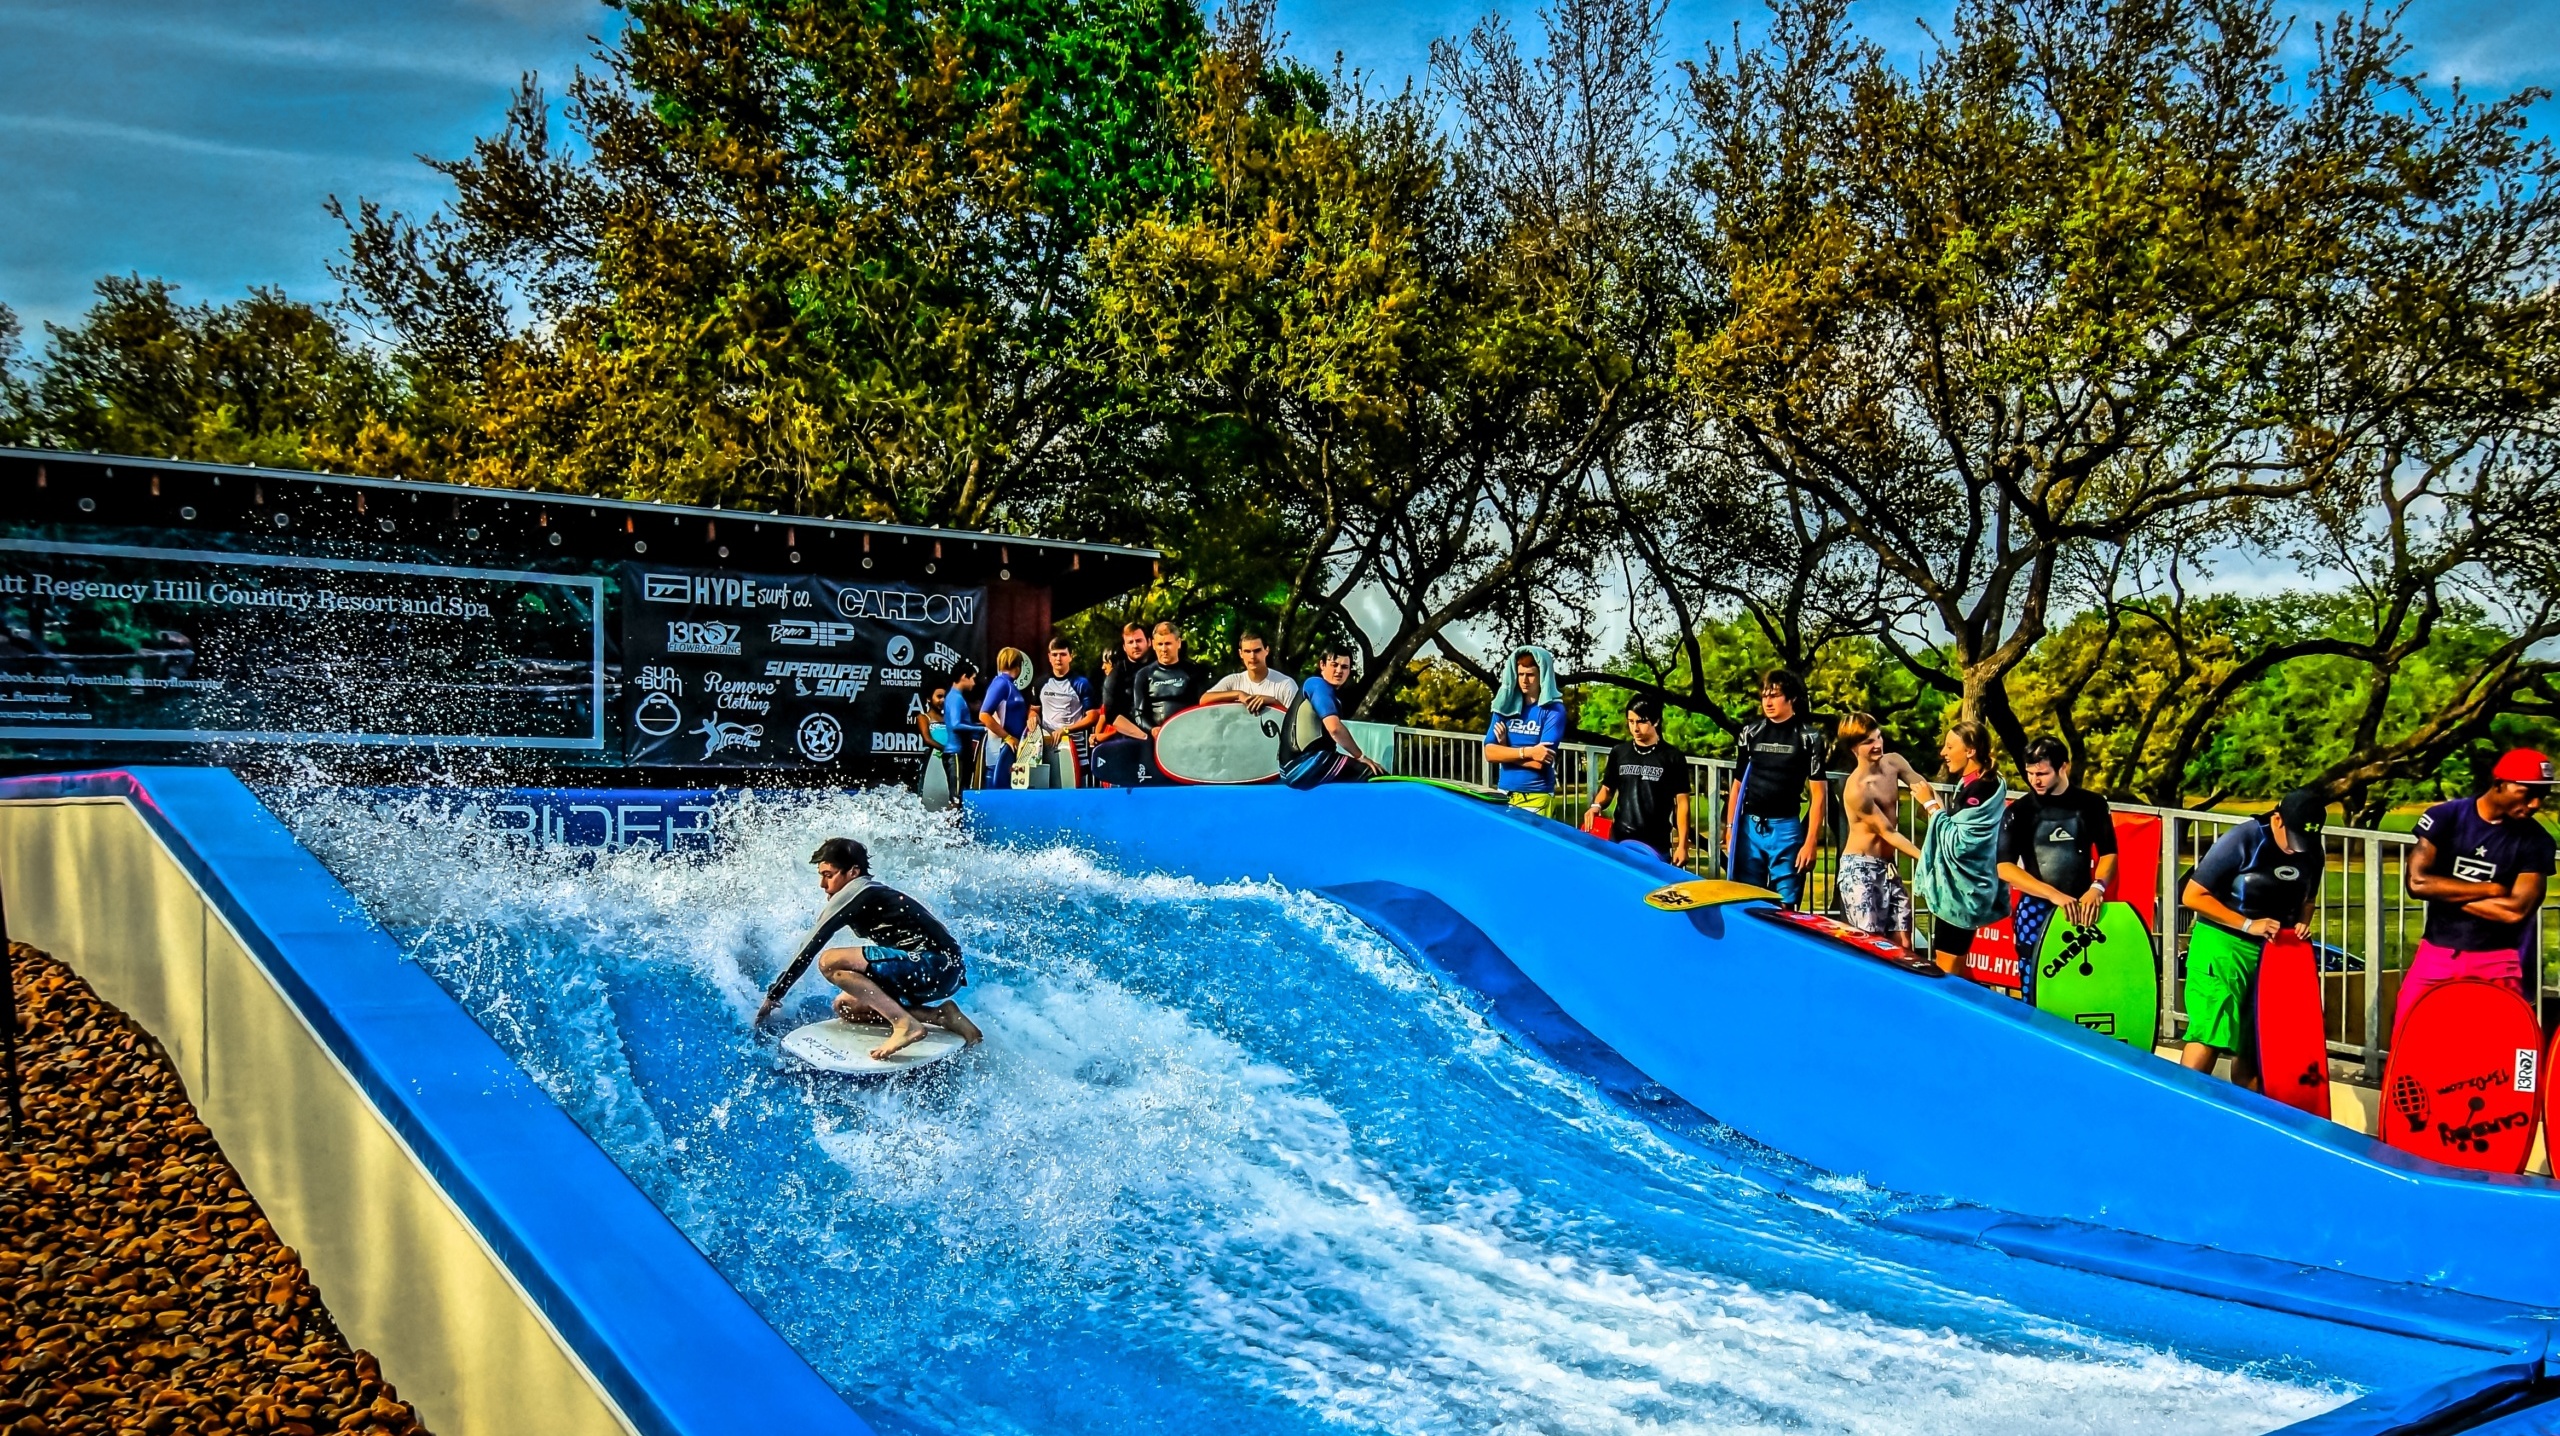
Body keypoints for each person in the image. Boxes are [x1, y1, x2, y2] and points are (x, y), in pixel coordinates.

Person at [753, 838, 984, 1060]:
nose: (823, 885)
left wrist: (775, 994)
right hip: (944, 973)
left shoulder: (857, 891)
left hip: (934, 966)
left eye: (828, 876)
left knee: (830, 961)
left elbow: (811, 945)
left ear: (853, 872)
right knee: (847, 1006)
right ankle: (941, 1015)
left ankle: (905, 1025)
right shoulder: (874, 893)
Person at [2177, 787, 2329, 1086]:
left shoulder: (2312, 850)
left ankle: (2249, 1114)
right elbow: (2193, 895)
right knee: (2211, 1029)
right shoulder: (2243, 839)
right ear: (2277, 819)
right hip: (2222, 944)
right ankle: (2183, 1101)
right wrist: (2247, 924)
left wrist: (2300, 925)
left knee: (2256, 1041)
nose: (2295, 850)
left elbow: (2308, 900)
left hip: (2272, 952)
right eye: (2293, 838)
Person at [2399, 749, 2556, 1028]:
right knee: (2409, 1032)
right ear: (2499, 784)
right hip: (2437, 954)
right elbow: (2417, 882)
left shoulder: (2537, 841)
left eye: (2542, 794)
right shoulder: (2446, 817)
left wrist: (2443, 891)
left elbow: (2515, 911)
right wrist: (2491, 889)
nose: (2535, 803)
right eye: (2527, 792)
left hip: (2500, 960)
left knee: (2497, 1050)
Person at [1998, 737, 2119, 1000]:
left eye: (2042, 773)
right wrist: (2052, 894)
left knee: (2082, 984)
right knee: (2036, 985)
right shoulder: (2020, 810)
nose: (2035, 781)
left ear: (2063, 767)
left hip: (2082, 905)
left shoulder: (2092, 804)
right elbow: (2005, 867)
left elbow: (2109, 853)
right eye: (2030, 774)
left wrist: (2097, 888)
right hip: (2037, 907)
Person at [1835, 711, 1938, 952]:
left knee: (1904, 942)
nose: (1877, 745)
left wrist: (1939, 817)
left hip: (1887, 866)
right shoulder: (1857, 789)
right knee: (1872, 945)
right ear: (1853, 748)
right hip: (1860, 869)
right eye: (1868, 742)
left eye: (1878, 737)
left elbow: (1924, 789)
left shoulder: (1894, 762)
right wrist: (1927, 859)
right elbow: (1888, 832)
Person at [1727, 669, 1830, 907]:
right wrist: (1731, 826)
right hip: (1750, 825)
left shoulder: (1809, 737)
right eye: (1764, 696)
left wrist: (1811, 841)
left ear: (1791, 698)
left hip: (1786, 827)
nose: (1768, 702)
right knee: (1747, 896)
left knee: (1786, 900)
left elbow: (1818, 794)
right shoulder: (1750, 732)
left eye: (1774, 696)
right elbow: (1737, 784)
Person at [1916, 722, 2007, 975]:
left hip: (1962, 893)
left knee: (1945, 970)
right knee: (1958, 964)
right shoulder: (1979, 782)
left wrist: (1930, 805)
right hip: (1967, 890)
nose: (1942, 753)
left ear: (1970, 751)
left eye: (1949, 746)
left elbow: (1960, 842)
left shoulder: (1979, 788)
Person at [1584, 696, 1692, 866]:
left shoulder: (1672, 757)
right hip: (1620, 839)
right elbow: (1607, 788)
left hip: (1655, 843)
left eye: (1641, 722)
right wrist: (1595, 806)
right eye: (1631, 721)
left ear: (1655, 721)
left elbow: (1682, 803)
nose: (1635, 728)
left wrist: (1683, 845)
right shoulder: (1619, 752)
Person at [1113, 621, 1209, 783]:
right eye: (1160, 644)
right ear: (1154, 645)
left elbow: (1203, 707)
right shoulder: (1144, 675)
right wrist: (1153, 729)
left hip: (1190, 741)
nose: (1164, 649)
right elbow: (1139, 713)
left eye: (1168, 644)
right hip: (1157, 741)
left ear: (1178, 643)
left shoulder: (1194, 671)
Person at [1279, 643, 1384, 786]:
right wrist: (1361, 757)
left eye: (1344, 667)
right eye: (1334, 665)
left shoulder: (1326, 691)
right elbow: (1334, 728)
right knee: (1375, 775)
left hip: (1290, 767)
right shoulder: (1318, 685)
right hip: (1303, 765)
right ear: (1322, 665)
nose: (1339, 671)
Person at [1484, 646, 1569, 817]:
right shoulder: (1504, 706)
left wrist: (1505, 749)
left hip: (1537, 796)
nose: (1524, 680)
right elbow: (1490, 753)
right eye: (1520, 674)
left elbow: (1540, 762)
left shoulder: (1554, 710)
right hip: (1504, 793)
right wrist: (1528, 752)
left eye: (1530, 675)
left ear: (1542, 676)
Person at [1091, 622, 1153, 786]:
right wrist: (1145, 736)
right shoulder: (1116, 674)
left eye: (1139, 640)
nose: (1135, 645)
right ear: (1124, 647)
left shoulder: (1161, 668)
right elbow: (1111, 714)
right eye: (1130, 642)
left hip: (1165, 738)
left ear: (1149, 641)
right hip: (1130, 742)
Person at [1030, 638, 1099, 780]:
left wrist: (1066, 730)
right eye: (1054, 655)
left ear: (1071, 656)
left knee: (1074, 795)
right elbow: (1034, 710)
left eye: (1062, 654)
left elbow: (1093, 716)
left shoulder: (1081, 683)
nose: (1058, 659)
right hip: (1046, 748)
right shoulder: (1040, 683)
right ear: (1049, 657)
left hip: (1075, 750)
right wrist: (1032, 718)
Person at [1202, 630, 1300, 714]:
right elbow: (1204, 700)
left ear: (1267, 650)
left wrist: (1273, 702)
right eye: (1247, 651)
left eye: (1257, 651)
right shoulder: (1233, 681)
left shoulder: (1286, 684)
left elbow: (1295, 722)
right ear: (1241, 654)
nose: (1252, 656)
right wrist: (1238, 694)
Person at [978, 647, 1031, 787]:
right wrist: (1007, 737)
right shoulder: (1000, 683)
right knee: (997, 787)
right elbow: (984, 715)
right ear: (1019, 665)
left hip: (1011, 750)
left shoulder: (1010, 685)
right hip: (1000, 749)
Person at [937, 662, 982, 790]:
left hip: (958, 753)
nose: (974, 683)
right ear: (964, 677)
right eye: (973, 679)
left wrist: (978, 725)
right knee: (956, 797)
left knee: (961, 794)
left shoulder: (954, 696)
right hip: (955, 754)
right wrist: (982, 729)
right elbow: (956, 725)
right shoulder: (955, 698)